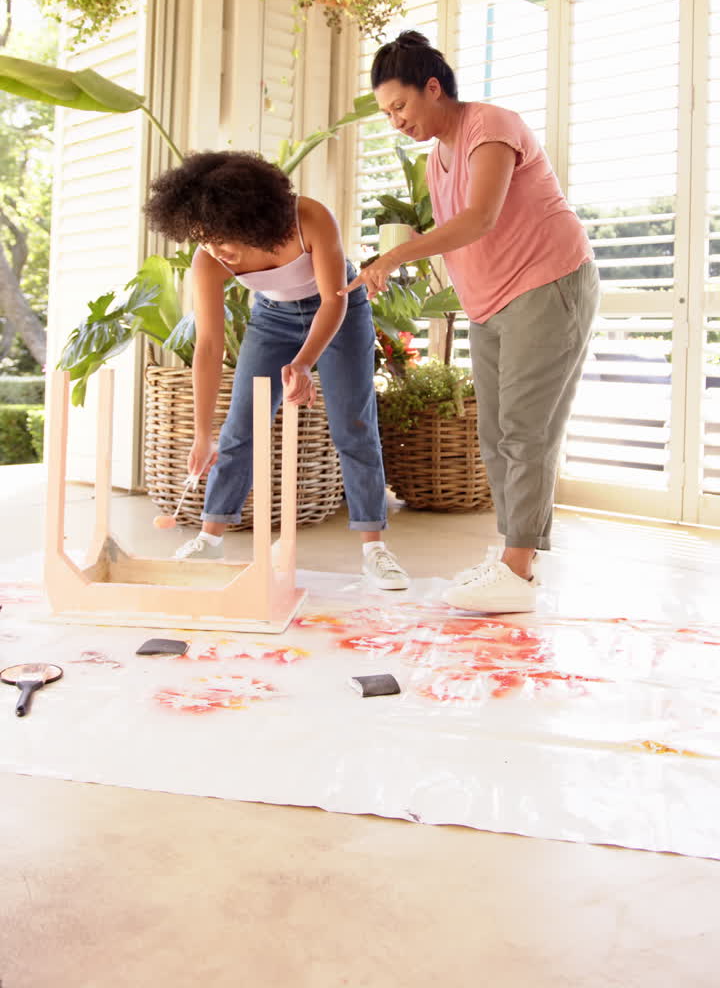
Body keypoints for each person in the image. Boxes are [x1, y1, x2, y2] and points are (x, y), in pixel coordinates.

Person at [341, 30, 599, 615]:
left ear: (433, 88)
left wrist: (397, 255)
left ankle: (518, 566)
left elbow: (480, 218)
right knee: (496, 434)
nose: (395, 121)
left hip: (548, 283)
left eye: (401, 106)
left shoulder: (491, 126)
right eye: (387, 113)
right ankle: (515, 558)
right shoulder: (438, 159)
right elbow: (461, 243)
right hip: (492, 307)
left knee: (525, 430)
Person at [144, 151, 409, 591]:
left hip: (341, 308)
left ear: (252, 217)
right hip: (272, 318)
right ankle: (210, 538)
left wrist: (304, 364)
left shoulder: (308, 217)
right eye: (205, 237)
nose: (217, 250)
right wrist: (202, 432)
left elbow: (334, 300)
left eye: (225, 237)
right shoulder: (208, 260)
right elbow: (208, 347)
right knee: (239, 428)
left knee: (354, 425)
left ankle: (374, 549)